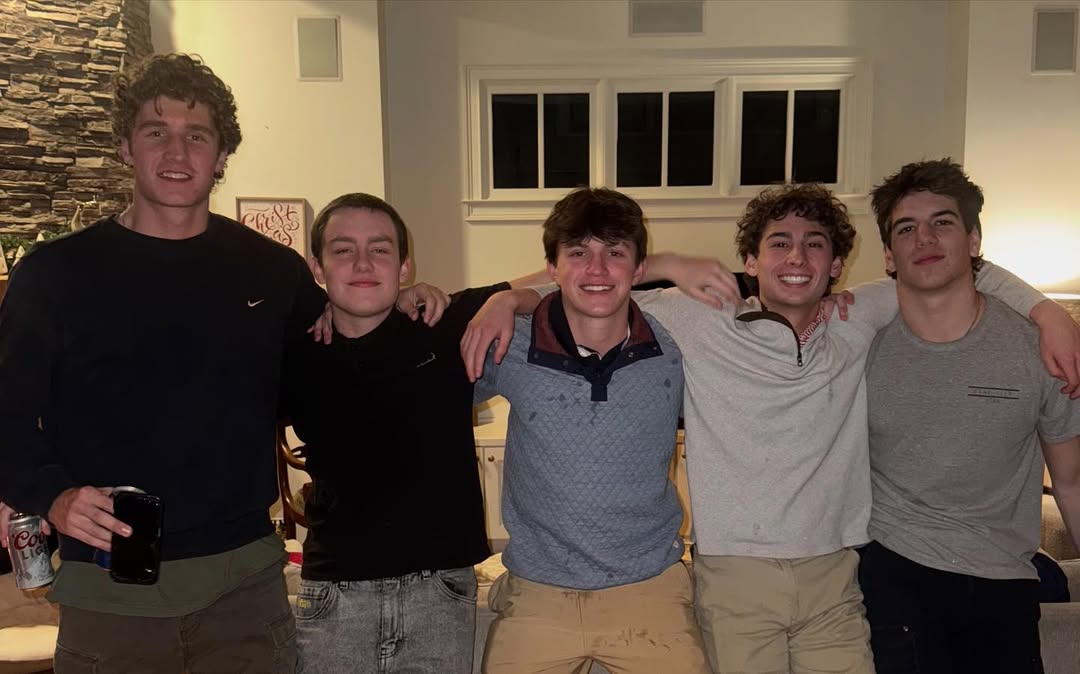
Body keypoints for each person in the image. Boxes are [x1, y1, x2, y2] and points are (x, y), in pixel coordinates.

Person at [462, 182, 1079, 673]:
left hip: (835, 577)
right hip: (735, 577)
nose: (797, 258)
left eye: (814, 245)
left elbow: (946, 267)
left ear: (838, 265)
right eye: (779, 243)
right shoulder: (697, 317)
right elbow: (591, 286)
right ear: (750, 261)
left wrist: (1046, 310)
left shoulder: (861, 316)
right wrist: (505, 298)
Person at [0, 53, 326, 672]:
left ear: (222, 155)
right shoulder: (54, 276)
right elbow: (6, 418)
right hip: (109, 593)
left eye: (197, 135)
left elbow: (335, 383)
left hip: (245, 592)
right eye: (156, 132)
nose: (177, 153)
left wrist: (417, 303)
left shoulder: (272, 273)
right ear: (126, 146)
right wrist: (53, 495)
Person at [283, 192, 546, 673]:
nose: (363, 263)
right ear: (317, 267)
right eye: (343, 250)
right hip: (334, 593)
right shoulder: (293, 350)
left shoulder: (443, 324)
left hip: (439, 591)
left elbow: (564, 281)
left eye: (380, 249)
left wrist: (508, 299)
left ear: (405, 266)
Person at [471, 187, 710, 673]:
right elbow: (422, 354)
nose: (597, 270)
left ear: (639, 269)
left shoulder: (676, 343)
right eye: (578, 253)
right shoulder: (509, 341)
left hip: (649, 589)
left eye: (615, 253)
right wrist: (497, 297)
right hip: (538, 592)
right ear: (552, 267)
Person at [859, 159, 1080, 674]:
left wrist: (1047, 312)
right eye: (906, 229)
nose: (924, 238)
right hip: (893, 571)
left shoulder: (1041, 349)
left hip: (1005, 582)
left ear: (974, 240)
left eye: (943, 222)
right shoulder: (858, 346)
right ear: (888, 255)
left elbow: (1071, 483)